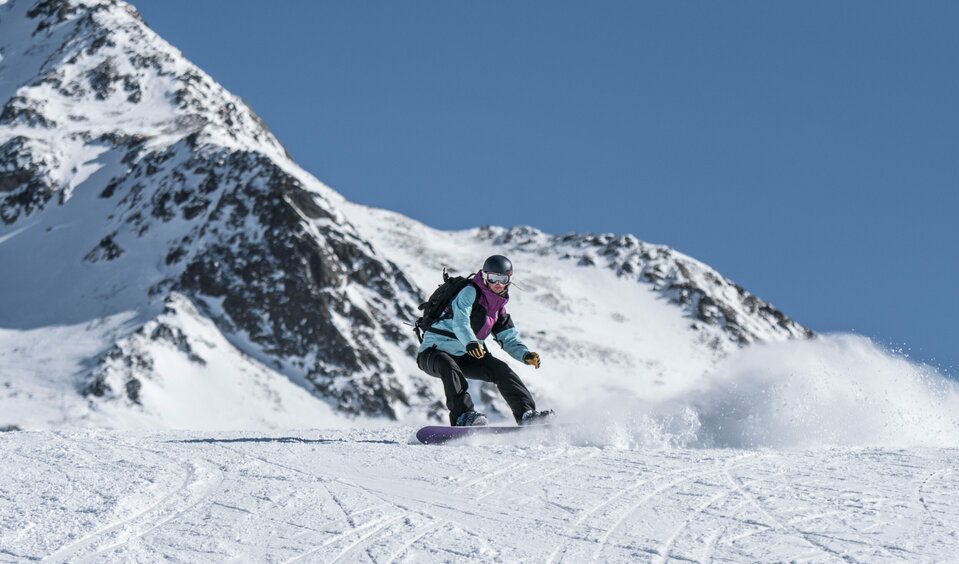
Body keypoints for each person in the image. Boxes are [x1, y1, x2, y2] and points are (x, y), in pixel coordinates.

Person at [416, 255, 555, 426]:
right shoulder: (470, 291)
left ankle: (526, 414)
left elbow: (508, 337)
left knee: (501, 370)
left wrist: (524, 355)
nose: (498, 283)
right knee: (448, 366)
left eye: (502, 279)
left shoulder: (498, 307)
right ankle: (463, 417)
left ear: (509, 280)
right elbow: (461, 321)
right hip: (434, 352)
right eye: (493, 278)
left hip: (465, 354)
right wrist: (471, 342)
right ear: (484, 276)